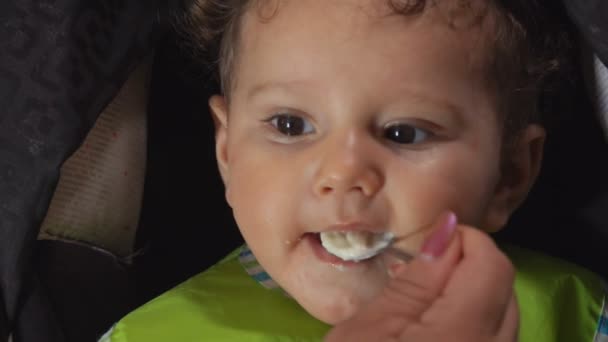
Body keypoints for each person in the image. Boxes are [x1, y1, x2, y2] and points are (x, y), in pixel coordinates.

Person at [100, 0, 608, 340]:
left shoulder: (577, 320)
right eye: (290, 124)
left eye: (404, 133)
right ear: (228, 151)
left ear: (509, 174)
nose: (343, 173)